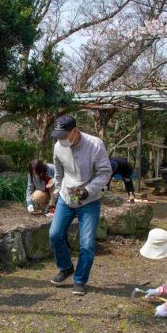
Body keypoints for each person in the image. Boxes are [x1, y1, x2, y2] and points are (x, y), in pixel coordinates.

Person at [49, 115, 112, 296]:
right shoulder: (58, 146)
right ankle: (66, 267)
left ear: (75, 131)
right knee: (55, 234)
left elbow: (105, 172)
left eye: (64, 135)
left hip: (89, 200)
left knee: (87, 243)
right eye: (58, 135)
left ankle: (80, 280)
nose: (61, 139)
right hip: (66, 197)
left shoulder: (95, 145)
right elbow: (58, 172)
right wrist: (57, 193)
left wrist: (89, 190)